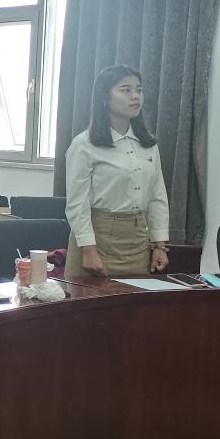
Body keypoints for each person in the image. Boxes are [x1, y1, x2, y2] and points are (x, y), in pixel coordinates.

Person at [64, 65, 170, 279]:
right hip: (96, 238)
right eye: (125, 90)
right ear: (105, 96)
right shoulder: (84, 144)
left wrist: (159, 245)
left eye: (139, 90)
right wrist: (88, 249)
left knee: (135, 299)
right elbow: (77, 203)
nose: (135, 96)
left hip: (137, 240)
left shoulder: (148, 144)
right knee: (90, 299)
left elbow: (157, 196)